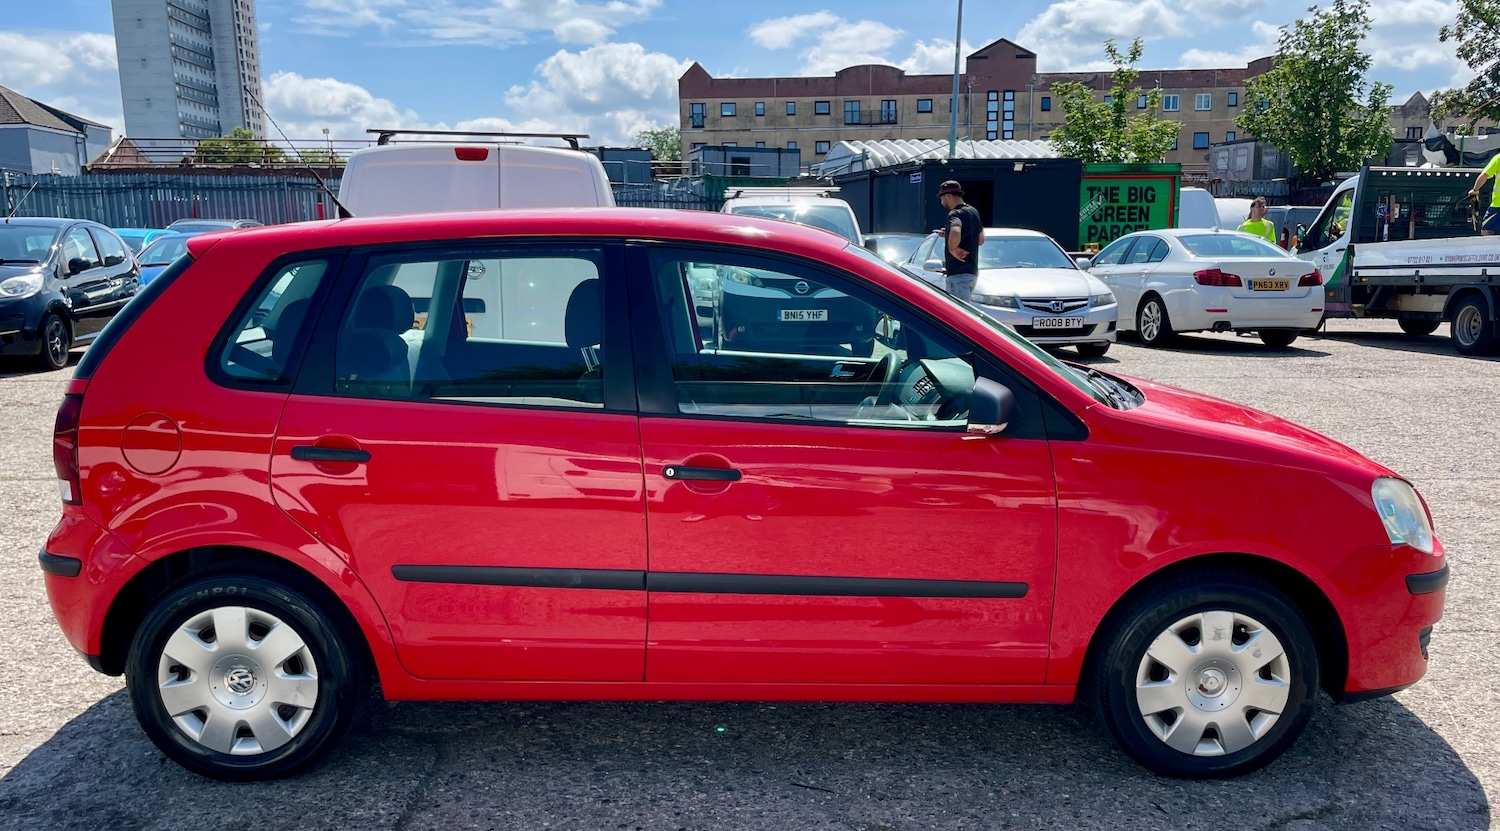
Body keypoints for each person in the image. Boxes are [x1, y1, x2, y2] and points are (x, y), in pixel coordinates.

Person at [936, 180, 985, 301]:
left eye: (942, 199)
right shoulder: (974, 212)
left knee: (957, 312)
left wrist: (953, 249)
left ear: (948, 196)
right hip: (972, 272)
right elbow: (980, 239)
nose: (942, 203)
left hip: (958, 273)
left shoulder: (955, 213)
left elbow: (956, 230)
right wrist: (948, 234)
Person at [1467, 153, 1500, 235]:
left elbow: (1484, 175)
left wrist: (1475, 190)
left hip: (1498, 205)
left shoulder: (1498, 158)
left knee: (1486, 231)